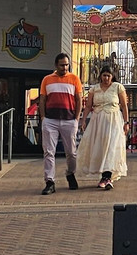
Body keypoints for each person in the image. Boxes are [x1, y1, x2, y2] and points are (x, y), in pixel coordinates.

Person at [76, 64, 129, 189]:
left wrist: (126, 122)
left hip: (113, 120)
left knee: (111, 146)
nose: (106, 78)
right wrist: (83, 121)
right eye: (104, 75)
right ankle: (104, 176)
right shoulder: (94, 89)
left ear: (112, 76)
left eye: (108, 76)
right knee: (99, 146)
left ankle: (107, 177)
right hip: (98, 120)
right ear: (100, 76)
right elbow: (88, 106)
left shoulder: (118, 87)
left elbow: (124, 105)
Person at [39, 52, 83, 195]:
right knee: (49, 152)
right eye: (62, 65)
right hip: (50, 120)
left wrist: (76, 119)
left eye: (66, 64)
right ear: (56, 65)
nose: (65, 67)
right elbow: (43, 100)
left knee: (71, 152)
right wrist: (43, 118)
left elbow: (79, 100)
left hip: (69, 120)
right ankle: (49, 181)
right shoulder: (47, 79)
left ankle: (70, 173)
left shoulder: (74, 79)